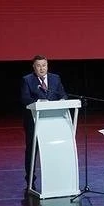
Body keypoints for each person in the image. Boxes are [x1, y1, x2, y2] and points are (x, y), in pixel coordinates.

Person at [20, 55, 67, 187]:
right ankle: (30, 179)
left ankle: (56, 176)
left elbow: (63, 94)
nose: (42, 68)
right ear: (34, 67)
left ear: (47, 66)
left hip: (53, 120)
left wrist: (63, 100)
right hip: (33, 121)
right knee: (32, 150)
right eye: (39, 66)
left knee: (54, 148)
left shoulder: (55, 78)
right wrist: (39, 101)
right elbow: (25, 99)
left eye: (44, 65)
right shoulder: (27, 80)